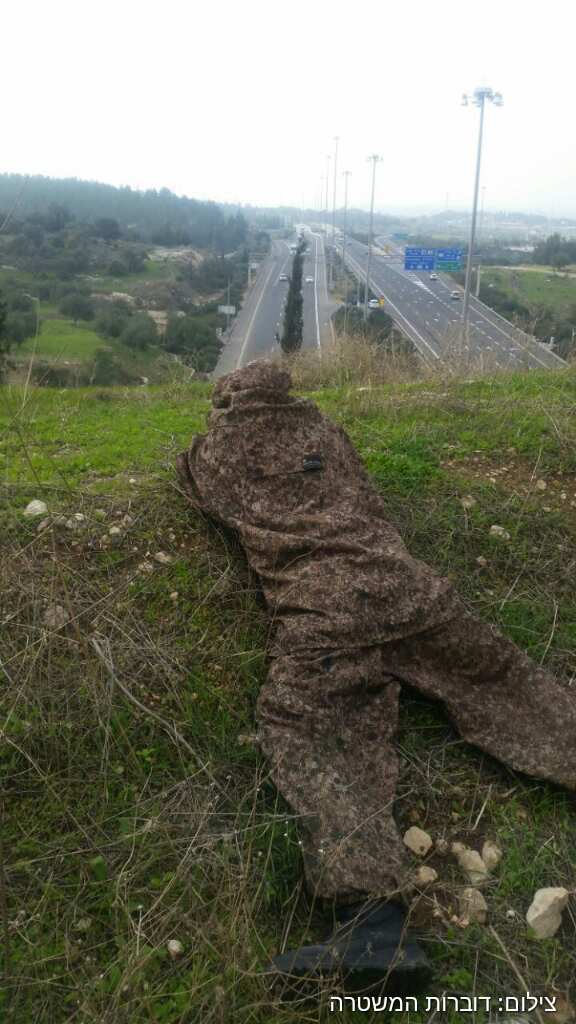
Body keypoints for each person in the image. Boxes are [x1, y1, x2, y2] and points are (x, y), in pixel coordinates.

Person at [176, 360, 576, 990]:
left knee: (313, 731)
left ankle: (373, 927)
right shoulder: (327, 431)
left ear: (226, 402)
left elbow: (201, 496)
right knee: (508, 684)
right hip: (411, 588)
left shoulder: (212, 450)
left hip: (328, 612)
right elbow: (363, 493)